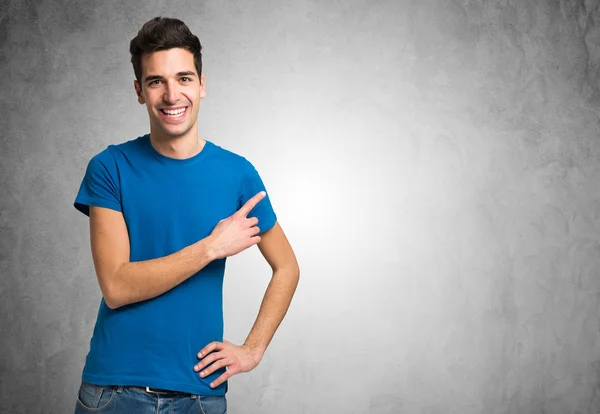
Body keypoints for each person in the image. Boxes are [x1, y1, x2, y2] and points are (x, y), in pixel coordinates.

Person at [72, 16, 300, 414]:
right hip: (114, 392)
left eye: (184, 78)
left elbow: (287, 268)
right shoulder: (110, 167)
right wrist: (212, 247)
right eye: (156, 81)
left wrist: (252, 349)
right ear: (139, 91)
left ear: (202, 84)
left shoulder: (237, 173)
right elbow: (117, 285)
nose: (171, 94)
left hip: (200, 394)